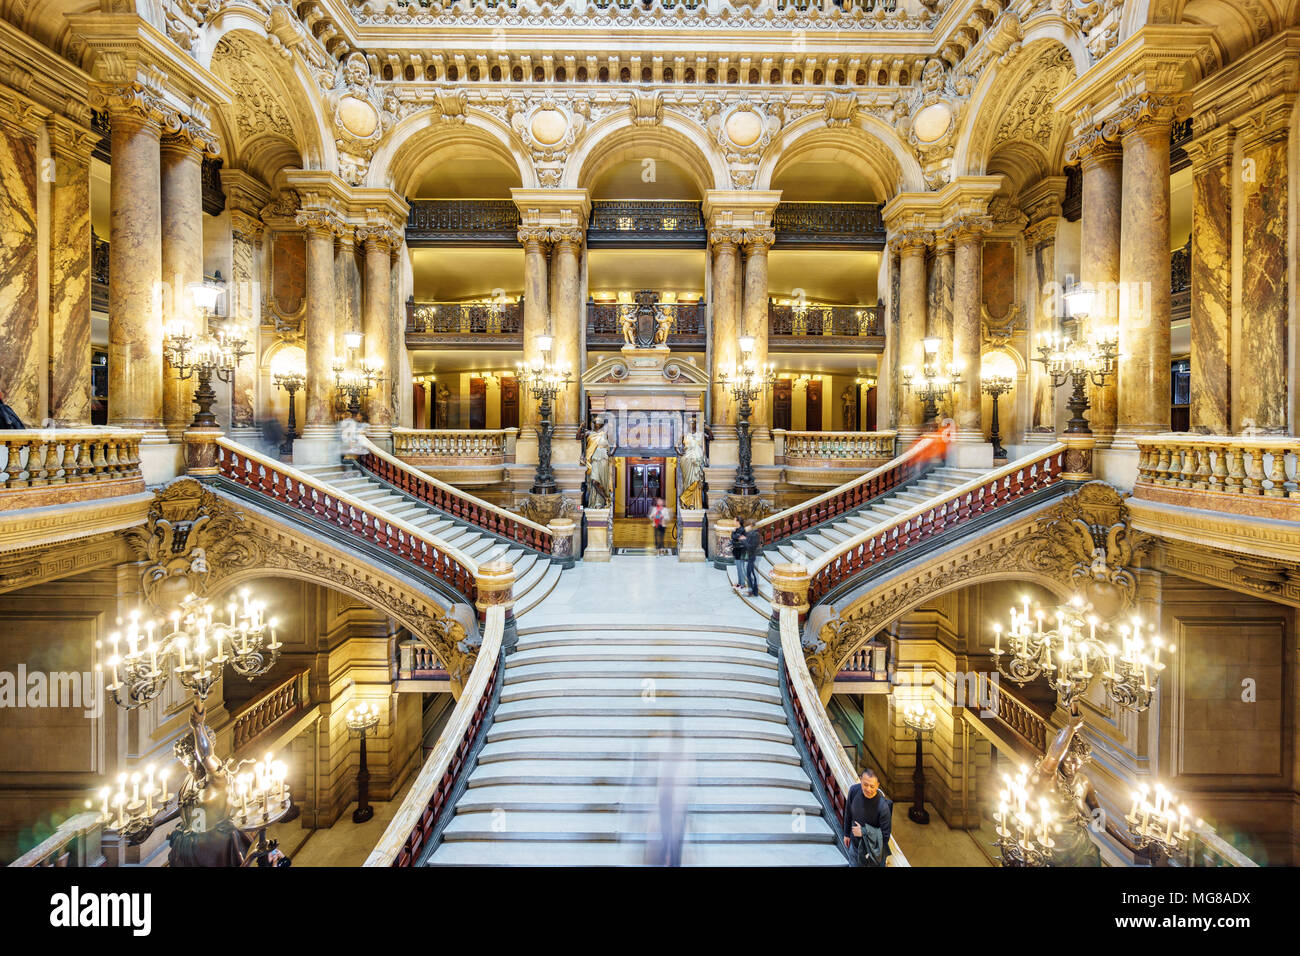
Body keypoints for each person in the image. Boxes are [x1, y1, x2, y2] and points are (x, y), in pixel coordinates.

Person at [841, 768, 893, 866]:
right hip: (855, 848)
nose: (868, 789)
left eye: (872, 786)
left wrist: (864, 832)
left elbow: (885, 836)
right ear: (860, 780)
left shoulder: (883, 807)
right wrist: (846, 834)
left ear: (877, 785)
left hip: (873, 854)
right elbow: (848, 813)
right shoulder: (853, 791)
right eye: (865, 784)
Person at [730, 517, 750, 595]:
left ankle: (742, 584)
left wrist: (734, 534)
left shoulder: (742, 529)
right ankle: (739, 583)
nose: (733, 521)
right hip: (736, 550)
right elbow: (733, 537)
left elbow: (734, 537)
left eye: (734, 520)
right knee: (738, 568)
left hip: (741, 550)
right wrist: (734, 533)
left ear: (738, 521)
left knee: (740, 567)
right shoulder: (737, 529)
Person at [742, 520, 762, 597]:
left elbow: (750, 547)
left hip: (752, 556)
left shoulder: (754, 535)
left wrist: (743, 540)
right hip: (751, 556)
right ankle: (754, 591)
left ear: (750, 525)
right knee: (751, 574)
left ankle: (751, 591)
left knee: (750, 574)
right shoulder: (752, 533)